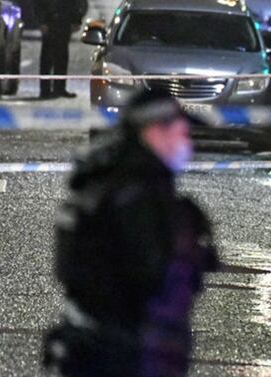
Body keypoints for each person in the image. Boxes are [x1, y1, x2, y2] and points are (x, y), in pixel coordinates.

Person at [43, 88, 217, 376]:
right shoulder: (137, 197)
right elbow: (151, 277)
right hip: (129, 356)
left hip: (101, 346)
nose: (187, 143)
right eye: (182, 133)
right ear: (154, 132)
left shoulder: (112, 182)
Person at [35, 0, 87, 99]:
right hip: (50, 21)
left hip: (65, 21)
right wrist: (42, 20)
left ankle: (59, 88)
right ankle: (45, 90)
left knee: (62, 56)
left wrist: (76, 19)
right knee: (47, 57)